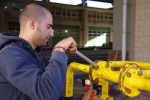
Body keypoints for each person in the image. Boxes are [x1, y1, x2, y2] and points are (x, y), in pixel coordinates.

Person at [0, 3, 97, 100]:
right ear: (32, 24)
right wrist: (59, 49)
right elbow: (47, 95)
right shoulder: (10, 55)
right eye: (48, 27)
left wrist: (80, 99)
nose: (52, 34)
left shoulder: (33, 54)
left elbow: (49, 93)